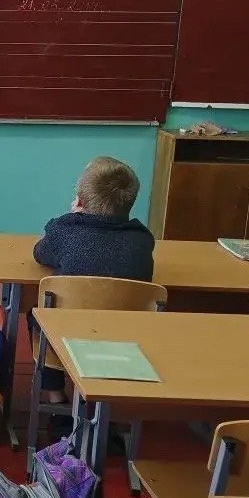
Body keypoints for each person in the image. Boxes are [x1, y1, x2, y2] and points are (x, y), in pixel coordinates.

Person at [31, 156, 155, 407]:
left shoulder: (64, 231)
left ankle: (55, 396)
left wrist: (71, 218)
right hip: (125, 339)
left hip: (67, 337)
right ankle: (111, 401)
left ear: (79, 201)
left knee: (36, 312)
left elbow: (40, 253)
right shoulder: (142, 239)